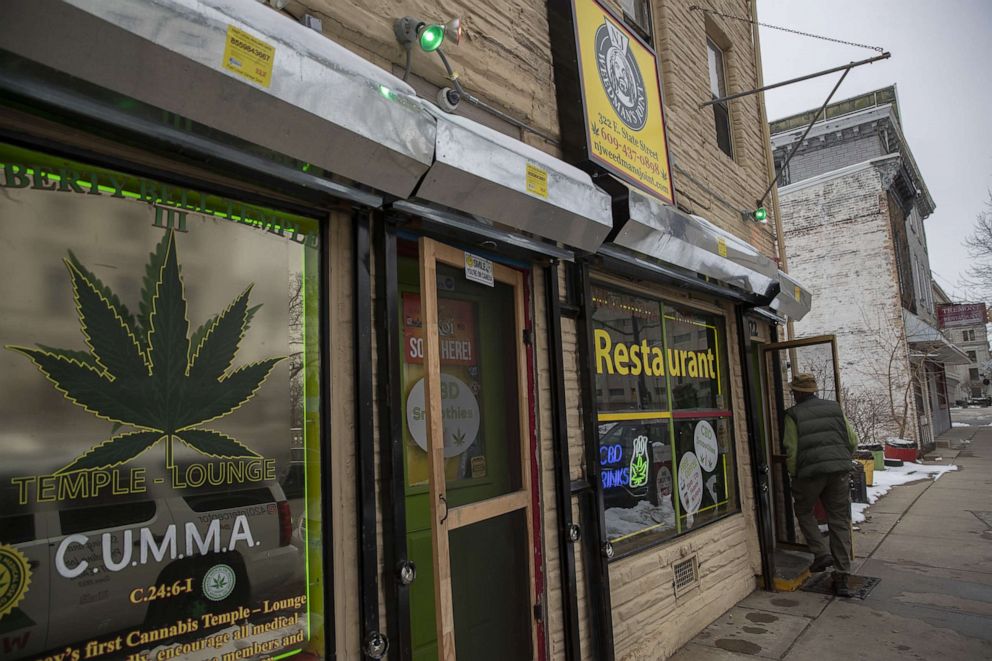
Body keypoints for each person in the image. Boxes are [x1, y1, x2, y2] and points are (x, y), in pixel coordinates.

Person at [783, 373, 859, 597]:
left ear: (797, 393)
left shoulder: (793, 415)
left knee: (804, 511)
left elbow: (791, 450)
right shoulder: (834, 408)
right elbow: (852, 440)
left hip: (810, 473)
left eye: (793, 391)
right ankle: (842, 576)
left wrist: (794, 475)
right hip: (838, 472)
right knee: (839, 521)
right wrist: (841, 459)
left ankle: (820, 551)